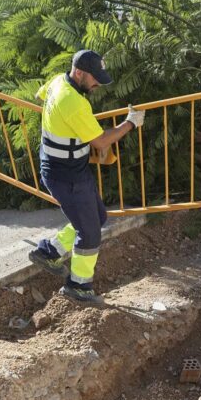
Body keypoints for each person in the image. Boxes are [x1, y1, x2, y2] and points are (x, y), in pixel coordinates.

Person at [28, 49, 144, 305]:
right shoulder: (73, 101)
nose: (97, 85)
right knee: (90, 233)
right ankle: (78, 286)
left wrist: (61, 125)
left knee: (99, 218)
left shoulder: (58, 81)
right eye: (95, 79)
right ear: (79, 72)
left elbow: (40, 95)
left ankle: (49, 252)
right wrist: (130, 124)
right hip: (65, 175)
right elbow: (102, 142)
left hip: (71, 169)